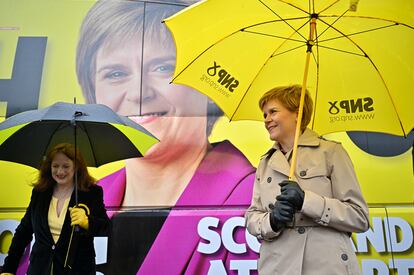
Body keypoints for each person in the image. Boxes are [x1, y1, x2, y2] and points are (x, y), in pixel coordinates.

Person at [76, 0, 256, 274]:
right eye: (115, 74)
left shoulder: (261, 199)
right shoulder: (79, 200)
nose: (138, 93)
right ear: (94, 93)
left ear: (209, 87)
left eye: (163, 68)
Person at [245, 85, 370, 275]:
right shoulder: (265, 163)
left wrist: (306, 201)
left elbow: (359, 217)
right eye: (264, 115)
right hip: (278, 266)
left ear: (297, 113)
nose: (267, 120)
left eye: (273, 112)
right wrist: (272, 220)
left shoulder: (331, 152)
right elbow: (252, 217)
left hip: (325, 265)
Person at [0, 143, 110, 275]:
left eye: (66, 166)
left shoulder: (91, 193)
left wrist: (88, 222)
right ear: (49, 166)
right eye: (55, 166)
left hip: (77, 270)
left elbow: (106, 227)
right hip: (40, 269)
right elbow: (23, 232)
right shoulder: (40, 193)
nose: (60, 171)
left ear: (76, 167)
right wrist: (8, 269)